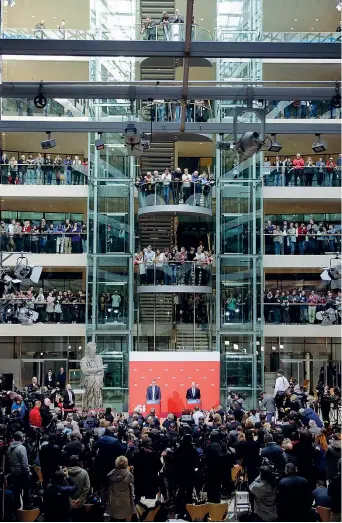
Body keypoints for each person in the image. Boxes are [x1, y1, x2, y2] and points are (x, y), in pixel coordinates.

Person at [107, 455, 136, 522]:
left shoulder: (111, 474)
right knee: (122, 517)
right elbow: (132, 484)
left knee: (113, 516)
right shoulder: (129, 474)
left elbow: (109, 486)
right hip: (125, 498)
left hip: (113, 497)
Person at [7, 431, 31, 510]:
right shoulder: (22, 448)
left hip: (13, 473)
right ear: (21, 438)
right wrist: (28, 472)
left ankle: (17, 511)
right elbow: (24, 463)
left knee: (16, 492)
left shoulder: (9, 448)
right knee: (26, 492)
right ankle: (26, 510)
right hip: (22, 474)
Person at [68, 455, 91, 521]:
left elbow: (62, 487)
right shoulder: (84, 472)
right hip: (80, 503)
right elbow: (87, 487)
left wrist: (70, 500)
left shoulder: (65, 473)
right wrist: (80, 499)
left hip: (68, 503)